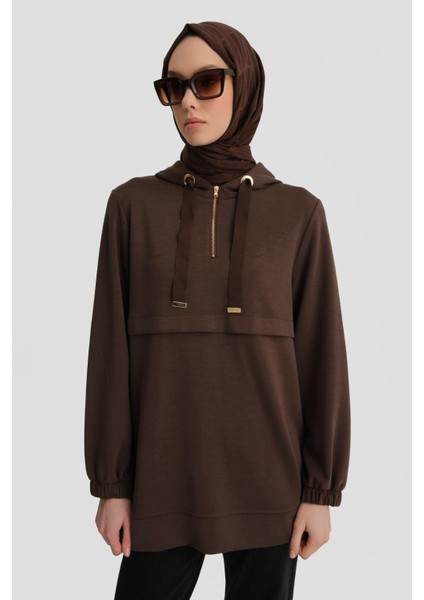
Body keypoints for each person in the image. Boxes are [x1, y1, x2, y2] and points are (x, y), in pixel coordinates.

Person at [84, 21, 351, 600]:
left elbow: (322, 357)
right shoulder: (131, 206)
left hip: (271, 486)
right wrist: (112, 484)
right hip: (159, 478)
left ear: (244, 85)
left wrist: (319, 492)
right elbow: (109, 354)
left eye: (206, 82)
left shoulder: (298, 213)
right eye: (172, 87)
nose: (187, 101)